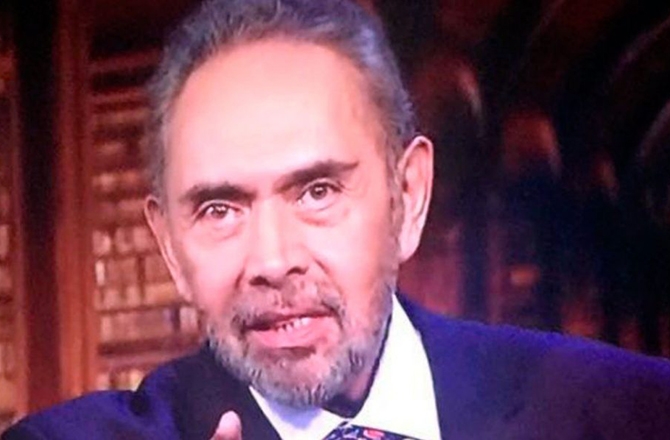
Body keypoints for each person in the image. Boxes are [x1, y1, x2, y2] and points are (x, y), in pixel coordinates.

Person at [4, 0, 670, 439]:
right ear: (171, 248)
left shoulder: (630, 413)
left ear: (408, 196)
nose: (272, 261)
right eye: (219, 208)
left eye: (317, 192)